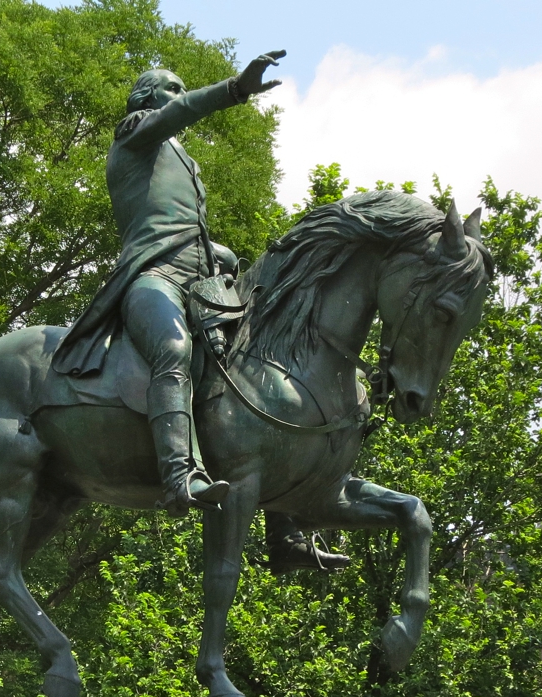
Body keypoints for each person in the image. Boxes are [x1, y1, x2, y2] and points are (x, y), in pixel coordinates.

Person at [53, 52, 350, 572]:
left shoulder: (183, 163)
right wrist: (234, 89)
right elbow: (176, 116)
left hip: (200, 284)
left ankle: (287, 530)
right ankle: (179, 474)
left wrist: (229, 261)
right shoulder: (136, 132)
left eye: (178, 89)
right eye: (170, 88)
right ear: (146, 100)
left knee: (271, 372)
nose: (176, 94)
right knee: (171, 349)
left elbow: (192, 231)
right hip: (154, 281)